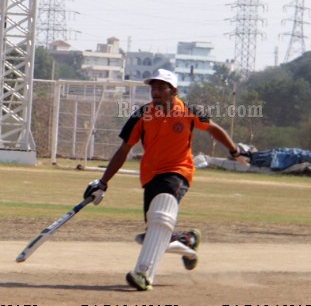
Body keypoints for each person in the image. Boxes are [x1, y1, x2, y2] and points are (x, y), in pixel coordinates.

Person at [83, 69, 248, 291]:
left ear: (174, 91)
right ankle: (187, 240)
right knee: (155, 232)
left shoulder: (188, 111)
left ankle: (143, 274)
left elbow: (213, 129)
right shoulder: (142, 115)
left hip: (178, 171)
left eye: (162, 88)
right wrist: (103, 182)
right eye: (153, 88)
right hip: (151, 175)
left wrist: (235, 150)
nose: (156, 92)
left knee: (160, 214)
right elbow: (124, 149)